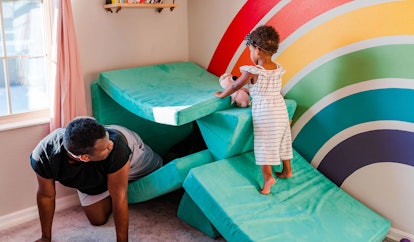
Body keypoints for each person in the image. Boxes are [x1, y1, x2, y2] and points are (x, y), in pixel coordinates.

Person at [30, 117, 163, 242]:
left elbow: (120, 199)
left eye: (108, 139)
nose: (109, 145)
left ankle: (119, 178)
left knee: (160, 167)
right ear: (84, 158)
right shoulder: (44, 156)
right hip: (95, 176)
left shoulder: (115, 145)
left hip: (131, 156)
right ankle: (113, 180)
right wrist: (45, 238)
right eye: (105, 147)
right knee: (97, 220)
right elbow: (46, 196)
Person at [214, 25, 293, 195]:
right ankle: (287, 170)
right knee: (284, 139)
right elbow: (265, 89)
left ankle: (268, 179)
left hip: (265, 112)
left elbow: (235, 85)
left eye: (250, 50)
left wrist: (222, 95)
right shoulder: (278, 68)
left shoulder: (253, 71)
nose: (250, 54)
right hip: (280, 108)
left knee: (264, 146)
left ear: (257, 50)